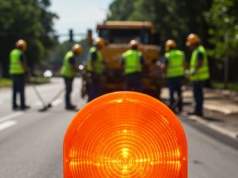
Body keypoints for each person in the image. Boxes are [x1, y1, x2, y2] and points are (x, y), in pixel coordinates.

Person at [186, 33, 210, 117]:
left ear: (194, 43)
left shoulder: (199, 51)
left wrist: (194, 71)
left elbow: (200, 62)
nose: (190, 46)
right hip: (196, 77)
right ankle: (197, 110)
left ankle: (198, 111)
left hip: (199, 77)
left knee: (198, 94)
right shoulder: (197, 50)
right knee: (197, 94)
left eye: (191, 44)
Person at [162, 39, 185, 113]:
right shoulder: (181, 54)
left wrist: (164, 74)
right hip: (179, 76)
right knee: (179, 92)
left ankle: (173, 107)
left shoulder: (167, 55)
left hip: (171, 76)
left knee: (171, 92)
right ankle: (180, 107)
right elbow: (184, 64)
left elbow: (164, 66)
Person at [60, 44, 83, 110]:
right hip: (68, 75)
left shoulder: (69, 54)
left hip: (67, 75)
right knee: (68, 90)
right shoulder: (71, 57)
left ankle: (68, 104)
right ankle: (68, 105)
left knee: (69, 90)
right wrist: (80, 71)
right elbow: (73, 67)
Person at [9, 39, 30, 110]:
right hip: (20, 74)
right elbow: (23, 64)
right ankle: (22, 105)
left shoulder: (12, 52)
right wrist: (27, 72)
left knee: (14, 90)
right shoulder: (20, 54)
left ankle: (14, 104)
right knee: (21, 90)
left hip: (13, 73)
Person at [87, 37, 105, 102]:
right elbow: (92, 63)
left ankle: (93, 102)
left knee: (95, 89)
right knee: (94, 90)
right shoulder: (94, 52)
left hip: (96, 73)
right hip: (95, 73)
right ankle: (92, 103)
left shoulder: (97, 52)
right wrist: (95, 72)